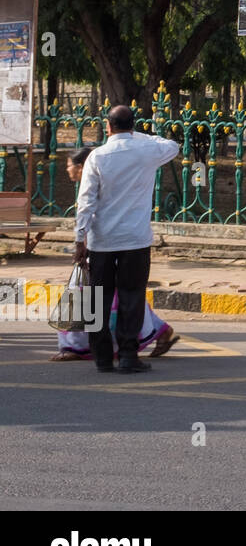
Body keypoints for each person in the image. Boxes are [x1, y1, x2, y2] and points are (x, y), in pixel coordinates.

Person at [73, 106, 180, 374]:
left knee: (99, 298)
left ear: (107, 127)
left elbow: (85, 202)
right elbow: (172, 145)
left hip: (102, 240)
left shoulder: (96, 157)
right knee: (132, 296)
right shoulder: (146, 150)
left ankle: (102, 357)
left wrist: (79, 239)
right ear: (133, 126)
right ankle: (129, 355)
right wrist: (138, 136)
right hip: (135, 239)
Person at [53, 148, 179, 362]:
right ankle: (156, 331)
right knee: (123, 295)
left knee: (105, 296)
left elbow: (88, 211)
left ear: (82, 166)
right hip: (115, 243)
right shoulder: (108, 180)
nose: (67, 170)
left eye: (69, 165)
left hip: (105, 245)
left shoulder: (96, 182)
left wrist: (80, 243)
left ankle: (80, 347)